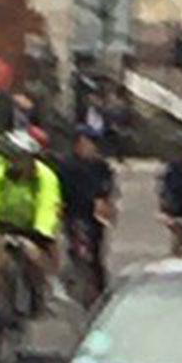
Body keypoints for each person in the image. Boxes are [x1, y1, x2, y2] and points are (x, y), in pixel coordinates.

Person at [0, 127, 63, 330]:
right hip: (3, 224)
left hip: (32, 226)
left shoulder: (46, 177)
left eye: (25, 158)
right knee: (2, 263)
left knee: (36, 259)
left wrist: (42, 233)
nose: (19, 163)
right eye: (14, 158)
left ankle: (40, 295)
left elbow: (47, 206)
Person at [56, 126, 118, 303]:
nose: (91, 147)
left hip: (94, 216)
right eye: (87, 142)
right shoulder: (66, 165)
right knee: (76, 245)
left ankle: (100, 290)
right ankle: (74, 276)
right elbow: (59, 190)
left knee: (96, 252)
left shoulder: (101, 166)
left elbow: (107, 188)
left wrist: (106, 205)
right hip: (73, 212)